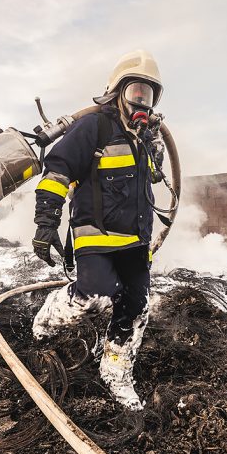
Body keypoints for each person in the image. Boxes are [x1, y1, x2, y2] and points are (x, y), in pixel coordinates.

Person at [31, 49, 164, 411]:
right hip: (94, 235)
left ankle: (115, 372)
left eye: (148, 95)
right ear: (118, 91)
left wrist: (153, 148)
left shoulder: (143, 137)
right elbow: (57, 170)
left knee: (137, 305)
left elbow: (154, 178)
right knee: (92, 294)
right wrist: (46, 222)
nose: (142, 101)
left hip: (135, 239)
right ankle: (45, 321)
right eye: (136, 91)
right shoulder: (93, 127)